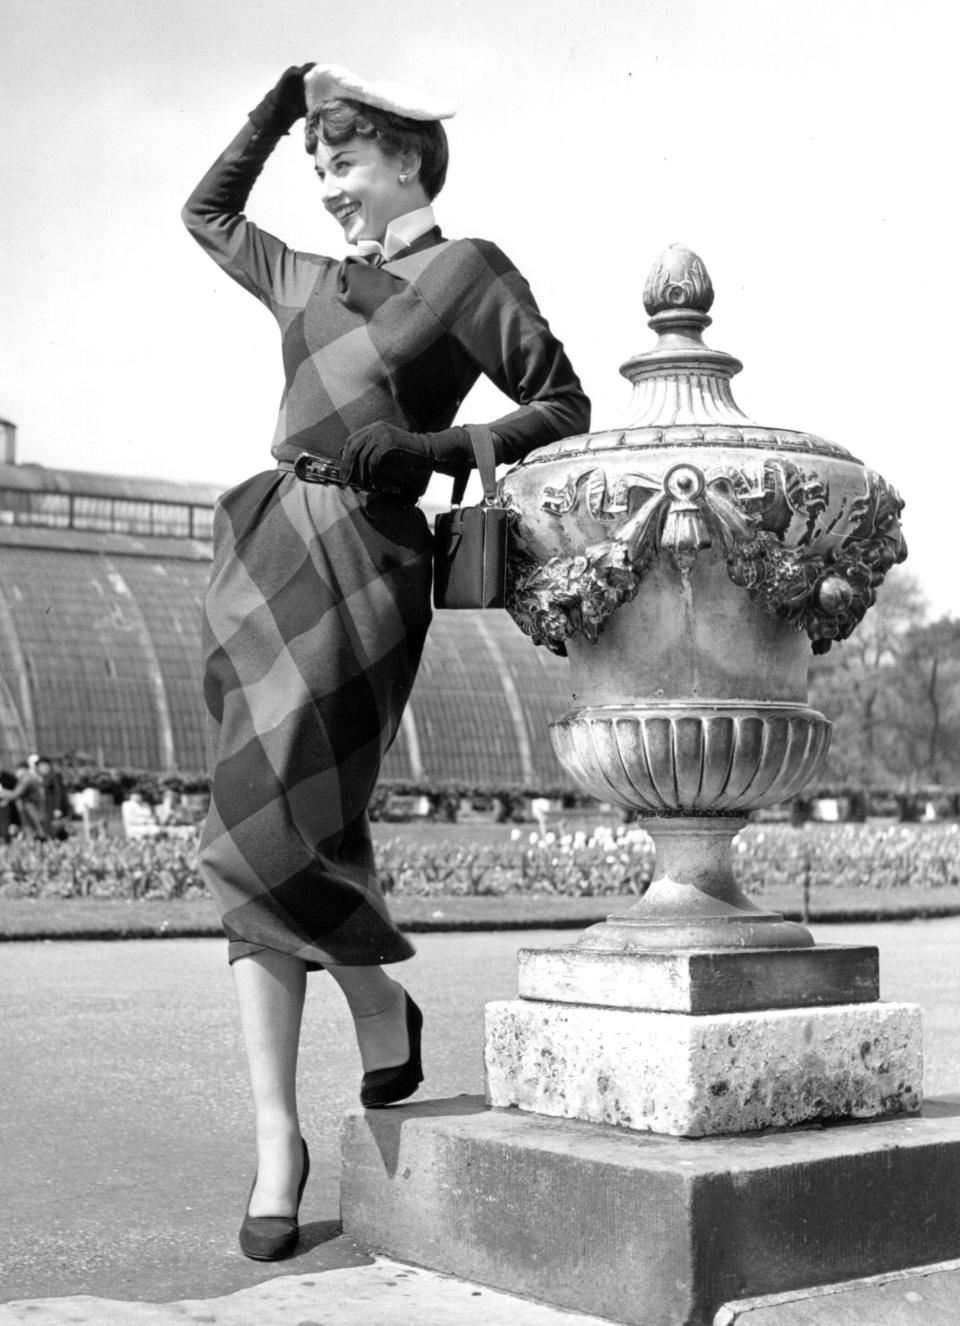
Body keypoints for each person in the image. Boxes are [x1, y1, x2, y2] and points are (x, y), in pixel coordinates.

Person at [182, 61, 590, 1261]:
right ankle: (289, 1123)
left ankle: (363, 1020)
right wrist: (276, 104)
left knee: (267, 830)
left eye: (343, 163)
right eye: (317, 166)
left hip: (369, 559)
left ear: (408, 158)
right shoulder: (301, 273)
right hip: (263, 549)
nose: (328, 190)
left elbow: (560, 405)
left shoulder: (467, 272)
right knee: (270, 822)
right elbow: (207, 214)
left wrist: (436, 443)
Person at [0, 758, 48, 840]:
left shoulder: (26, 779)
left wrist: (2, 791)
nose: (16, 773)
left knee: (38, 831)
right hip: (32, 807)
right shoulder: (28, 778)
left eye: (18, 770)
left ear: (23, 769)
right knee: (37, 830)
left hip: (32, 808)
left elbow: (15, 794)